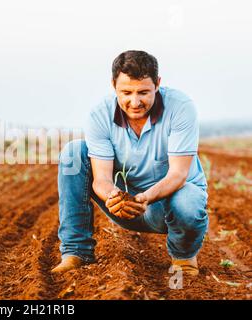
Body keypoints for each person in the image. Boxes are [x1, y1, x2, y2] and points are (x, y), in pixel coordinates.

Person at [52, 50, 208, 276]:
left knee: (189, 198)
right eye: (126, 92)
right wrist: (114, 196)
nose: (135, 102)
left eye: (143, 92)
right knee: (73, 152)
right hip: (126, 207)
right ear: (113, 85)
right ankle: (76, 252)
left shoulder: (180, 107)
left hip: (166, 207)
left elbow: (178, 174)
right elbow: (102, 179)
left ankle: (183, 258)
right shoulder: (100, 115)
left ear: (157, 84)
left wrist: (146, 198)